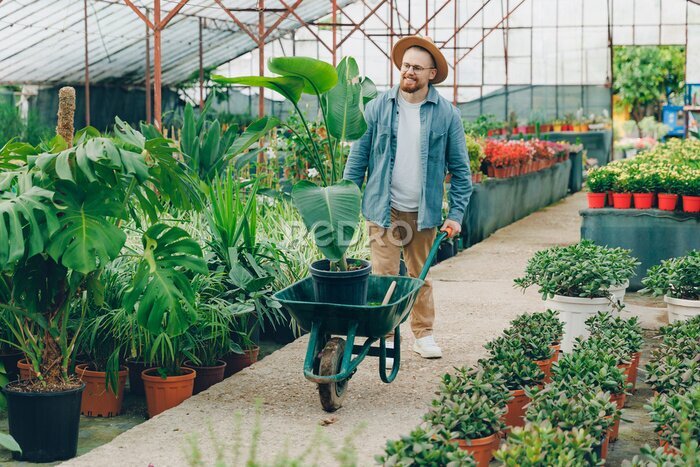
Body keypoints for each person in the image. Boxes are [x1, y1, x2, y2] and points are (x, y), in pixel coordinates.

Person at [343, 35, 473, 359]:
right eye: (405, 66)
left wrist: (455, 215)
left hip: (423, 212)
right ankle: (386, 333)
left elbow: (461, 172)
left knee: (420, 277)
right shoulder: (376, 109)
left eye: (417, 67)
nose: (409, 72)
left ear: (431, 74)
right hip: (383, 208)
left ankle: (423, 334)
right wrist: (344, 203)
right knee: (384, 276)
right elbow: (357, 161)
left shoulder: (447, 115)